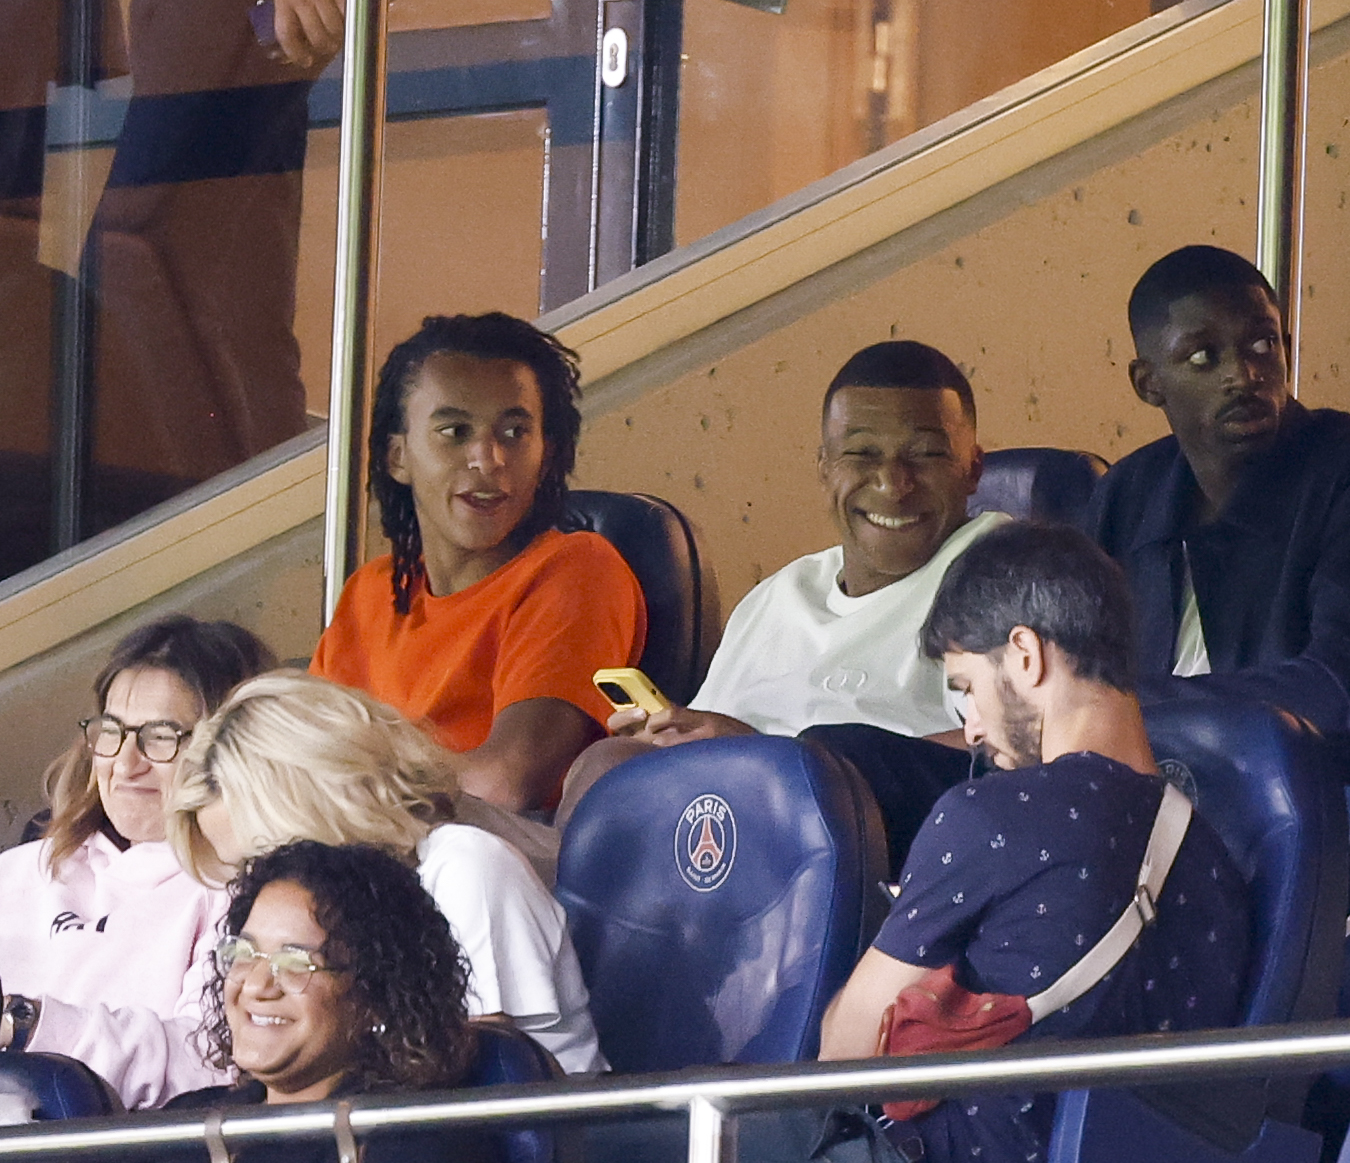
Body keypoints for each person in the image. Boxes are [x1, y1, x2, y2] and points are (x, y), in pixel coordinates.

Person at [818, 522, 1249, 1163]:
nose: (968, 731)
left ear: (1025, 654)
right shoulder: (1219, 863)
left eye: (965, 688)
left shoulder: (990, 815)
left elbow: (841, 1056)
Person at [559, 340, 1007, 866]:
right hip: (711, 842)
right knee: (606, 763)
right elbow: (710, 728)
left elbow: (1020, 749)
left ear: (972, 469)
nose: (892, 483)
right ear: (824, 467)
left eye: (926, 455)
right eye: (861, 454)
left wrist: (772, 757)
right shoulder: (780, 594)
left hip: (861, 862)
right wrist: (667, 735)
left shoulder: (1005, 572)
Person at [165, 671, 608, 1075]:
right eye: (243, 870)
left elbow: (474, 1078)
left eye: (264, 857)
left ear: (323, 808)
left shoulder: (465, 866)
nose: (261, 884)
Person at [1084, 245, 1350, 738]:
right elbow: (1071, 670)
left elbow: (1347, 678)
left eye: (1262, 346)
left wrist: (1122, 709)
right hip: (1140, 775)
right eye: (1203, 356)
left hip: (1299, 784)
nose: (1243, 376)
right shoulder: (1127, 494)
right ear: (1149, 383)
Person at [310, 313, 647, 812]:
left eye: (514, 432)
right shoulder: (369, 591)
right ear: (397, 456)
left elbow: (506, 783)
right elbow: (298, 762)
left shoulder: (577, 568)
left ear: (546, 455)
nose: (488, 459)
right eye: (454, 430)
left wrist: (348, 775)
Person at [0, 616, 274, 1109]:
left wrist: (23, 1024)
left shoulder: (246, 889)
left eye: (161, 736)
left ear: (229, 749)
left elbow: (209, 1061)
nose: (126, 764)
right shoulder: (18, 870)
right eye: (112, 732)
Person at [165, 840, 503, 1162]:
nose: (255, 985)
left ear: (376, 996)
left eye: (295, 962)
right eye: (243, 953)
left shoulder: (414, 1142)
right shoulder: (182, 1127)